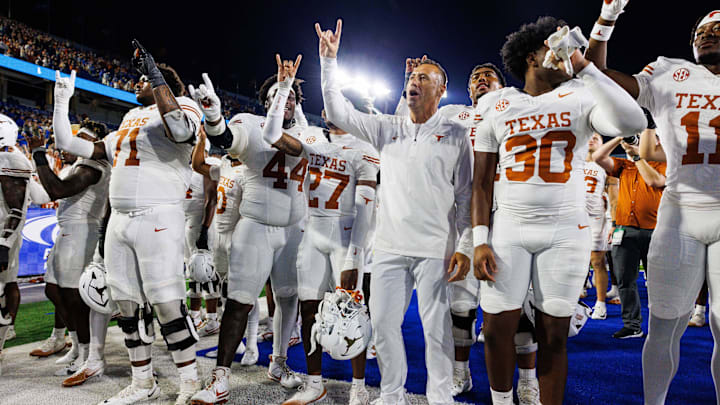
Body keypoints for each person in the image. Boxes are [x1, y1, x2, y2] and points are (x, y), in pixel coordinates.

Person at [470, 16, 646, 405]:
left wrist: (585, 67)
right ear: (533, 55)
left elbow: (634, 120)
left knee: (553, 336)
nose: (565, 54)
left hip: (566, 230)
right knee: (498, 330)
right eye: (555, 47)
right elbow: (481, 182)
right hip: (509, 228)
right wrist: (479, 240)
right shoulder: (497, 103)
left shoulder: (580, 96)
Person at [318, 19, 473, 405]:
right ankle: (391, 394)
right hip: (387, 247)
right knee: (385, 326)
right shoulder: (389, 127)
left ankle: (440, 397)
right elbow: (337, 110)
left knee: (436, 329)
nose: (415, 80)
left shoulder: (456, 134)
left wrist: (466, 246)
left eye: (425, 77)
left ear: (440, 90)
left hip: (436, 248)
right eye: (413, 76)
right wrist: (329, 62)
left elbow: (467, 198)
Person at [51, 40, 204, 404]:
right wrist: (61, 100)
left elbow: (181, 131)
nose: (136, 83)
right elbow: (68, 143)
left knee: (167, 304)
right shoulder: (127, 120)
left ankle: (190, 380)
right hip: (119, 220)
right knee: (126, 306)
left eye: (143, 79)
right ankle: (143, 382)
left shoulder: (184, 105)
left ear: (161, 83)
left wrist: (156, 74)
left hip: (158, 216)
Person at [588, 6, 720, 397]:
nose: (706, 35)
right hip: (679, 212)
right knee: (663, 326)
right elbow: (596, 76)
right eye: (701, 31)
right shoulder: (669, 73)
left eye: (716, 29)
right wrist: (606, 19)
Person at [188, 58, 323, 404]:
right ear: (266, 100)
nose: (288, 99)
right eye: (280, 94)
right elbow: (228, 141)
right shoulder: (250, 122)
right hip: (256, 225)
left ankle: (278, 363)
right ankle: (220, 377)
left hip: (295, 228)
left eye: (292, 94)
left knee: (289, 297)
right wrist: (215, 118)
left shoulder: (308, 132)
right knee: (240, 302)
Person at [262, 56, 380, 405]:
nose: (326, 109)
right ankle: (315, 381)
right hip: (312, 235)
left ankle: (359, 383)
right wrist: (283, 87)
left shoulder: (365, 149)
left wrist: (355, 256)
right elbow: (270, 135)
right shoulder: (313, 139)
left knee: (352, 312)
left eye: (334, 104)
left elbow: (366, 210)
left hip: (346, 238)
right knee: (310, 310)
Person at [27, 120, 111, 377]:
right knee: (53, 290)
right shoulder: (75, 166)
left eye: (77, 138)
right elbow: (43, 196)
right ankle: (75, 345)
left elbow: (57, 189)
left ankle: (88, 353)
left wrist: (40, 154)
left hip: (82, 231)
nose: (66, 143)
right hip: (67, 230)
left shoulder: (94, 166)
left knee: (75, 297)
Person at [190, 128, 260, 366]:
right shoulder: (225, 166)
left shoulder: (252, 170)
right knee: (219, 291)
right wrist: (201, 140)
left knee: (244, 293)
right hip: (217, 236)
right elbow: (198, 165)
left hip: (238, 237)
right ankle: (231, 339)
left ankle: (251, 344)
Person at [591, 131, 666, 340]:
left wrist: (637, 156)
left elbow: (654, 181)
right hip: (625, 230)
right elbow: (597, 157)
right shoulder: (625, 165)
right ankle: (632, 325)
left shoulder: (667, 162)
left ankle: (662, 328)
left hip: (656, 231)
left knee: (659, 283)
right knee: (625, 280)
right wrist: (620, 138)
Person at [0, 113, 32, 363]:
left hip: (3, 234)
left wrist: (4, 243)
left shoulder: (10, 158)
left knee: (6, 284)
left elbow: (16, 209)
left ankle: (5, 329)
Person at [184, 142, 220, 336]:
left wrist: (205, 229)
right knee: (193, 272)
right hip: (187, 222)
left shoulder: (208, 163)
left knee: (206, 271)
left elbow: (211, 198)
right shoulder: (184, 164)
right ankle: (195, 315)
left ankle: (213, 318)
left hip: (201, 221)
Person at [584, 133, 613, 319]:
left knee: (597, 261)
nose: (592, 139)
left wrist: (612, 220)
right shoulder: (572, 161)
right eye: (590, 136)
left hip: (596, 217)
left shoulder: (607, 164)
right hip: (575, 217)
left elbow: (614, 194)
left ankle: (600, 303)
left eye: (597, 138)